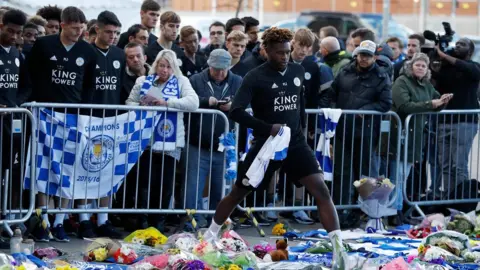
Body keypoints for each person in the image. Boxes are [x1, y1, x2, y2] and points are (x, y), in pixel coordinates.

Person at [202, 27, 347, 269]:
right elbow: (236, 111)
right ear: (266, 51)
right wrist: (267, 127)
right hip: (266, 145)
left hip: (296, 142)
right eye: (280, 53)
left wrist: (301, 131)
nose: (285, 57)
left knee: (321, 190)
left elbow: (299, 105)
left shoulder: (298, 70)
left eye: (288, 52)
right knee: (238, 192)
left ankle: (339, 248)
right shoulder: (255, 76)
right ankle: (210, 235)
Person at [27, 6, 96, 242]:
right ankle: (43, 220)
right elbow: (31, 76)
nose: (79, 32)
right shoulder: (44, 45)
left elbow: (88, 87)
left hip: (73, 117)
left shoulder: (87, 51)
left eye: (82, 28)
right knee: (43, 169)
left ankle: (59, 222)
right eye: (75, 28)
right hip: (44, 116)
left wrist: (85, 116)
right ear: (63, 25)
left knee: (69, 170)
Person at [126, 49, 199, 233]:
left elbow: (193, 103)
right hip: (145, 141)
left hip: (171, 143)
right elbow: (128, 103)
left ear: (174, 68)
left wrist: (167, 103)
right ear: (155, 65)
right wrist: (143, 106)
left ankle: (158, 222)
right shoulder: (143, 81)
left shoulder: (182, 82)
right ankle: (142, 221)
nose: (164, 70)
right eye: (161, 65)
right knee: (144, 182)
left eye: (168, 66)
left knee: (165, 183)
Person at [74, 10, 125, 239]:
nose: (113, 36)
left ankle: (103, 219)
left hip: (112, 120)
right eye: (108, 32)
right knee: (85, 170)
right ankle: (84, 219)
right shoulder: (84, 51)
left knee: (108, 170)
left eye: (116, 33)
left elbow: (122, 86)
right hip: (88, 119)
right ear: (97, 30)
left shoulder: (119, 54)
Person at [330, 40, 392, 228]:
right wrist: (332, 111)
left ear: (374, 57)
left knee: (366, 174)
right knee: (342, 172)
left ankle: (367, 213)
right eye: (361, 54)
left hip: (365, 132)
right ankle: (341, 211)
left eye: (367, 55)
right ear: (356, 54)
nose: (363, 58)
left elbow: (385, 103)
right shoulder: (345, 72)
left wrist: (367, 109)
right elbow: (332, 94)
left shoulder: (381, 76)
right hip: (343, 129)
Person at [389, 52, 452, 223]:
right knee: (397, 175)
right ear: (410, 66)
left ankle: (398, 209)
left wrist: (442, 101)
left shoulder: (426, 85)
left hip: (415, 136)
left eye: (424, 66)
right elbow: (404, 106)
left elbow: (435, 100)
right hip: (400, 133)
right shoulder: (401, 82)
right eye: (418, 64)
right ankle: (393, 212)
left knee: (405, 175)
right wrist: (431, 104)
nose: (421, 68)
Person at [185, 49, 242, 230]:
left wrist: (234, 107)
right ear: (209, 65)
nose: (219, 73)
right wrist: (205, 101)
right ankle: (192, 220)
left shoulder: (238, 81)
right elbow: (188, 101)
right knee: (193, 186)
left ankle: (218, 222)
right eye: (216, 69)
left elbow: (246, 104)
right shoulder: (195, 80)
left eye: (223, 69)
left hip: (224, 145)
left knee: (221, 187)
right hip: (197, 142)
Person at [432, 38, 480, 199]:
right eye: (457, 43)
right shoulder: (447, 69)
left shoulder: (474, 67)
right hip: (444, 122)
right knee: (445, 166)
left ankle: (461, 200)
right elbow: (435, 83)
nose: (458, 46)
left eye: (463, 44)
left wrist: (445, 56)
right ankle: (448, 198)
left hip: (464, 123)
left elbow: (466, 67)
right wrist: (437, 58)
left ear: (471, 51)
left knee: (458, 165)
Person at [0, 9, 28, 247]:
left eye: (18, 33)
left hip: (10, 121)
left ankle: (4, 220)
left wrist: (17, 103)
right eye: (10, 31)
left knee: (6, 172)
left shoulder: (17, 55)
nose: (14, 36)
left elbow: (26, 85)